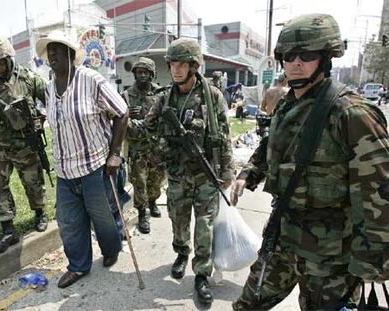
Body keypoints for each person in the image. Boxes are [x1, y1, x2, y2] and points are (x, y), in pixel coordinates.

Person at [230, 14, 389, 310]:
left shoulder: (351, 113)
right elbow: (272, 146)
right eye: (289, 55)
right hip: (282, 236)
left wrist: (372, 262)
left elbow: (379, 193)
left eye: (307, 55)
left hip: (330, 258)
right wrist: (247, 175)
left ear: (326, 58)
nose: (296, 62)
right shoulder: (289, 103)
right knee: (246, 306)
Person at [139, 37, 234, 306]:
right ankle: (181, 253)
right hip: (177, 173)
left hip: (205, 175)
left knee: (204, 225)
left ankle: (201, 274)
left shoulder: (211, 96)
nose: (176, 70)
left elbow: (224, 136)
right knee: (178, 221)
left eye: (182, 65)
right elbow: (147, 127)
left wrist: (227, 172)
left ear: (194, 67)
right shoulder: (164, 97)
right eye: (173, 65)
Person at [36, 30, 128, 288]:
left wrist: (115, 154)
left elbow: (122, 112)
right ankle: (78, 266)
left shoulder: (91, 79)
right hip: (65, 172)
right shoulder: (48, 87)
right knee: (69, 222)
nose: (51, 54)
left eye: (57, 49)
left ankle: (111, 249)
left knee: (103, 218)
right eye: (49, 50)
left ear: (71, 54)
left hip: (94, 167)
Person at [0, 35, 49, 255]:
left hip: (24, 145)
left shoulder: (27, 78)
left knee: (33, 182)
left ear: (9, 58)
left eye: (0, 62)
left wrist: (42, 116)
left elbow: (52, 100)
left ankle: (40, 214)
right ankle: (8, 230)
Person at [122, 57, 166, 234]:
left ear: (151, 74)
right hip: (137, 148)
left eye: (145, 72)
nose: (142, 75)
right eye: (139, 72)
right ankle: (142, 214)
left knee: (156, 179)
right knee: (139, 182)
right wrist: (127, 115)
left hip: (156, 146)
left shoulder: (160, 93)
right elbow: (117, 119)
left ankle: (153, 201)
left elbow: (166, 116)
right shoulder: (126, 96)